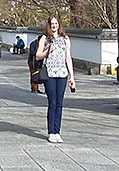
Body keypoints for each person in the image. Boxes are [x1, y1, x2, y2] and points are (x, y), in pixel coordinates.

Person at [35, 15, 75, 143]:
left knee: (60, 104)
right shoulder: (44, 38)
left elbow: (68, 58)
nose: (54, 26)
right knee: (52, 103)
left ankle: (58, 131)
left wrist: (72, 76)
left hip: (62, 73)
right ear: (48, 25)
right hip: (50, 74)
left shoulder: (65, 39)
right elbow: (37, 56)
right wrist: (47, 51)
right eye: (52, 24)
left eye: (56, 23)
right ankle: (51, 131)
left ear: (59, 25)